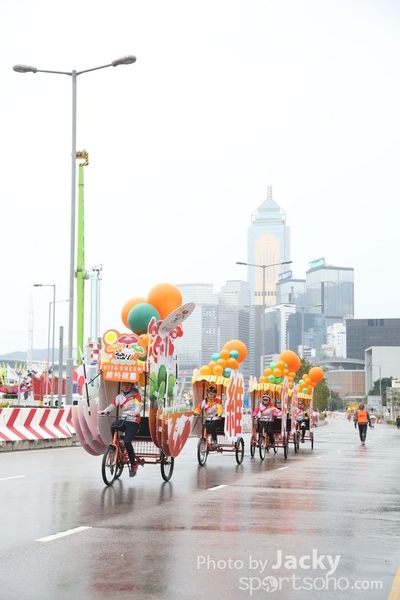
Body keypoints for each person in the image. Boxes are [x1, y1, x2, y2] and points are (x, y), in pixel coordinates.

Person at [98, 381, 143, 477]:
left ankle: (133, 465)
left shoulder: (136, 396)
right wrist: (104, 412)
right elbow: (112, 405)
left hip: (133, 421)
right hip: (124, 420)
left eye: (128, 385)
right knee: (113, 425)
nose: (126, 387)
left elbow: (139, 407)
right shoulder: (120, 397)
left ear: (132, 385)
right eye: (124, 384)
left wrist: (135, 412)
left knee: (127, 442)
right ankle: (115, 444)